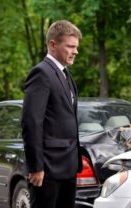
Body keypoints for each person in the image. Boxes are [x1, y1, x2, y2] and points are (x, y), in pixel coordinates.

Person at [22, 20, 82, 208]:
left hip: (68, 167)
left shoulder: (66, 74)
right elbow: (31, 122)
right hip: (47, 170)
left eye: (76, 47)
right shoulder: (41, 73)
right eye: (70, 46)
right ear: (53, 45)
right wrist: (36, 167)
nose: (75, 51)